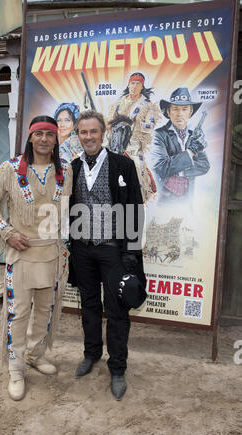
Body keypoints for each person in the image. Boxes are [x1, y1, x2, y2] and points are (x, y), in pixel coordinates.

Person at [0, 116, 72, 401]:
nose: (44, 139)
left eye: (50, 134)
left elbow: (70, 210)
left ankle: (36, 355)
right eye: (39, 134)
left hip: (53, 255)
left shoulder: (65, 170)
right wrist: (7, 232)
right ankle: (16, 368)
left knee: (45, 312)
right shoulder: (10, 168)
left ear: (56, 139)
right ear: (30, 138)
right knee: (17, 314)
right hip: (21, 254)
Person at [69, 109, 146, 401]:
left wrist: (131, 252)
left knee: (116, 311)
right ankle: (91, 355)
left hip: (114, 251)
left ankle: (117, 368)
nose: (88, 137)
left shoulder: (122, 165)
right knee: (88, 305)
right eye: (83, 132)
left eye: (93, 131)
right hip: (82, 250)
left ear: (103, 133)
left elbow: (135, 209)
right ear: (78, 136)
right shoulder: (73, 167)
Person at [149, 87, 210, 207]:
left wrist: (178, 172)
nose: (179, 113)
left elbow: (204, 166)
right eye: (175, 109)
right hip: (164, 203)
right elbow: (162, 167)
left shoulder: (193, 135)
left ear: (190, 112)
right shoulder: (158, 135)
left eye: (184, 109)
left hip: (187, 203)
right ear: (168, 112)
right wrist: (191, 152)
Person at [107, 72, 160, 203]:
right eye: (132, 83)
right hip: (114, 143)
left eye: (138, 83)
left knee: (137, 170)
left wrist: (136, 124)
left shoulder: (147, 105)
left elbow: (150, 125)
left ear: (142, 86)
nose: (134, 86)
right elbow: (109, 122)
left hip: (133, 145)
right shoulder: (118, 104)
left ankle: (139, 197)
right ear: (128, 84)